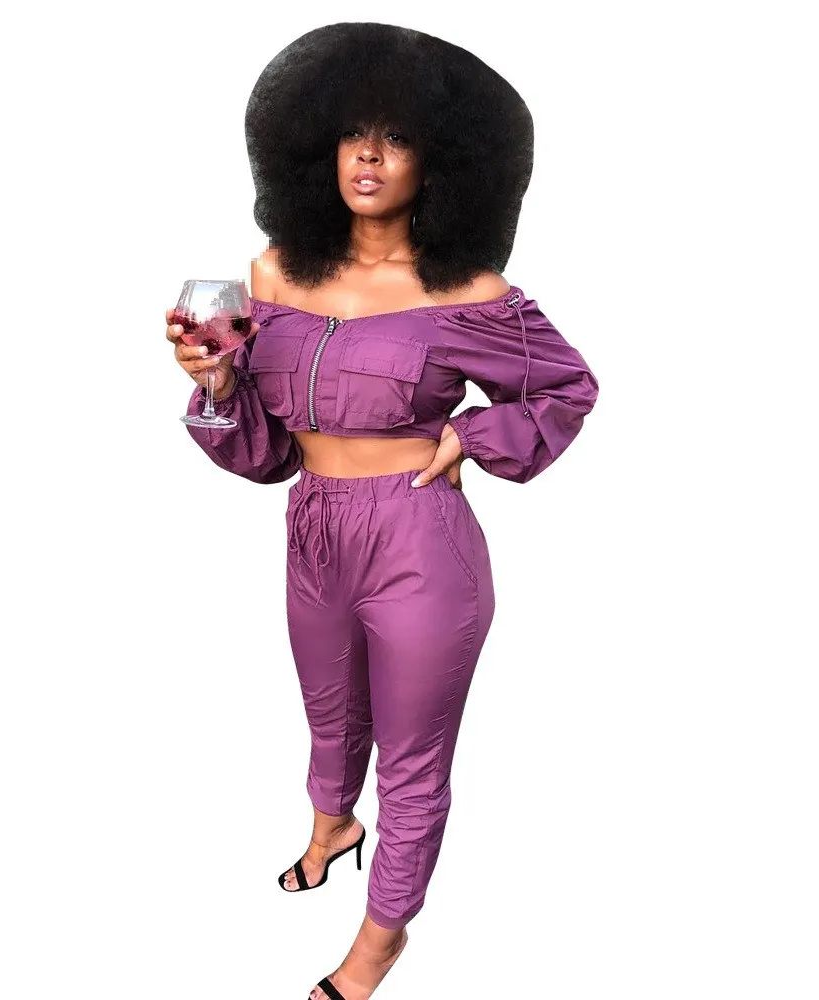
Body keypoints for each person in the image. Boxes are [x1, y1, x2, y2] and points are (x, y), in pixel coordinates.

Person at [166, 23, 600, 1000]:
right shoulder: (271, 275)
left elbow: (567, 387)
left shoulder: (473, 296)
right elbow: (265, 453)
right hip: (314, 524)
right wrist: (215, 381)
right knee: (329, 713)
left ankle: (381, 935)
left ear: (438, 163)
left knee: (411, 754)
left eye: (395, 138)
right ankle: (332, 824)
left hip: (418, 538)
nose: (367, 155)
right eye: (351, 134)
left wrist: (474, 437)